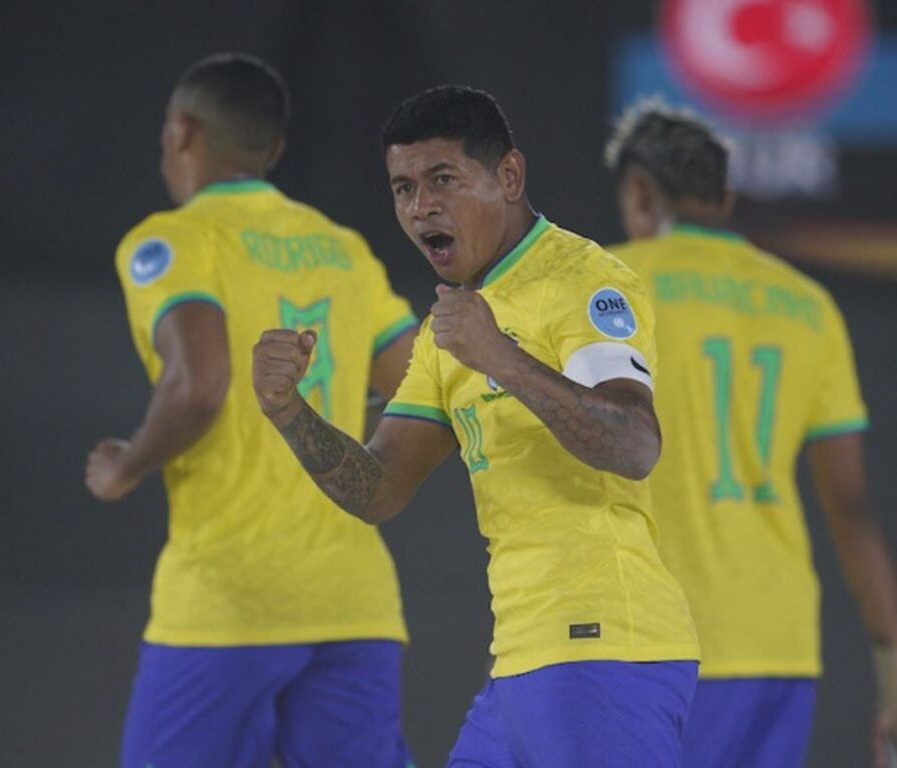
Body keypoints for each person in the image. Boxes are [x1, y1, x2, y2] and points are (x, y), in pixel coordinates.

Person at [253, 85, 701, 768]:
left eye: (442, 180)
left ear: (509, 177)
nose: (420, 206)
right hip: (522, 661)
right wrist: (290, 412)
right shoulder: (452, 328)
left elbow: (636, 444)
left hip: (605, 647)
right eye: (403, 188)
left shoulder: (583, 281)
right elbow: (380, 489)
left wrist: (503, 360)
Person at [84, 53, 419, 768]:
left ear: (181, 131)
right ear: (273, 151)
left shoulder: (173, 241)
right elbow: (425, 378)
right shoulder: (342, 248)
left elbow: (200, 386)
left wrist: (128, 463)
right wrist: (345, 405)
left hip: (229, 599)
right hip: (355, 600)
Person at [603, 100, 897, 768]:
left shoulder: (609, 285)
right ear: (725, 197)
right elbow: (852, 511)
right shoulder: (809, 306)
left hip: (657, 641)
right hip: (782, 645)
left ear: (639, 192)